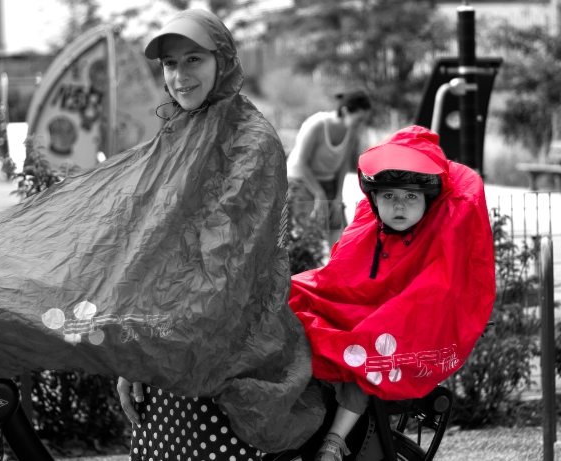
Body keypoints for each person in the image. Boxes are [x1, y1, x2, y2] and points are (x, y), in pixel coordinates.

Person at [115, 9, 323, 461]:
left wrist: (157, 345)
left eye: (193, 59)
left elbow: (225, 259)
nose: (179, 76)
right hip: (168, 345)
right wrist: (136, 356)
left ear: (223, 59)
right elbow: (153, 246)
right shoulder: (178, 132)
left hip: (228, 349)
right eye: (170, 64)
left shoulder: (252, 139)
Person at [288, 126, 496, 461]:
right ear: (374, 199)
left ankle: (334, 441)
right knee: (289, 301)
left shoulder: (437, 238)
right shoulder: (365, 229)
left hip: (402, 332)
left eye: (410, 196)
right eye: (389, 196)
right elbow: (337, 280)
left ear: (429, 199)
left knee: (366, 357)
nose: (399, 205)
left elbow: (435, 294)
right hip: (364, 318)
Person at [286, 91, 372, 245]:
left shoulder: (351, 132)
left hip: (328, 180)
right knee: (308, 233)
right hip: (301, 180)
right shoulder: (317, 125)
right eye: (359, 120)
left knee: (339, 230)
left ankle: (335, 268)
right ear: (345, 111)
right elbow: (301, 162)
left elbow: (343, 165)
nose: (361, 125)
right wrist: (319, 195)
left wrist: (338, 197)